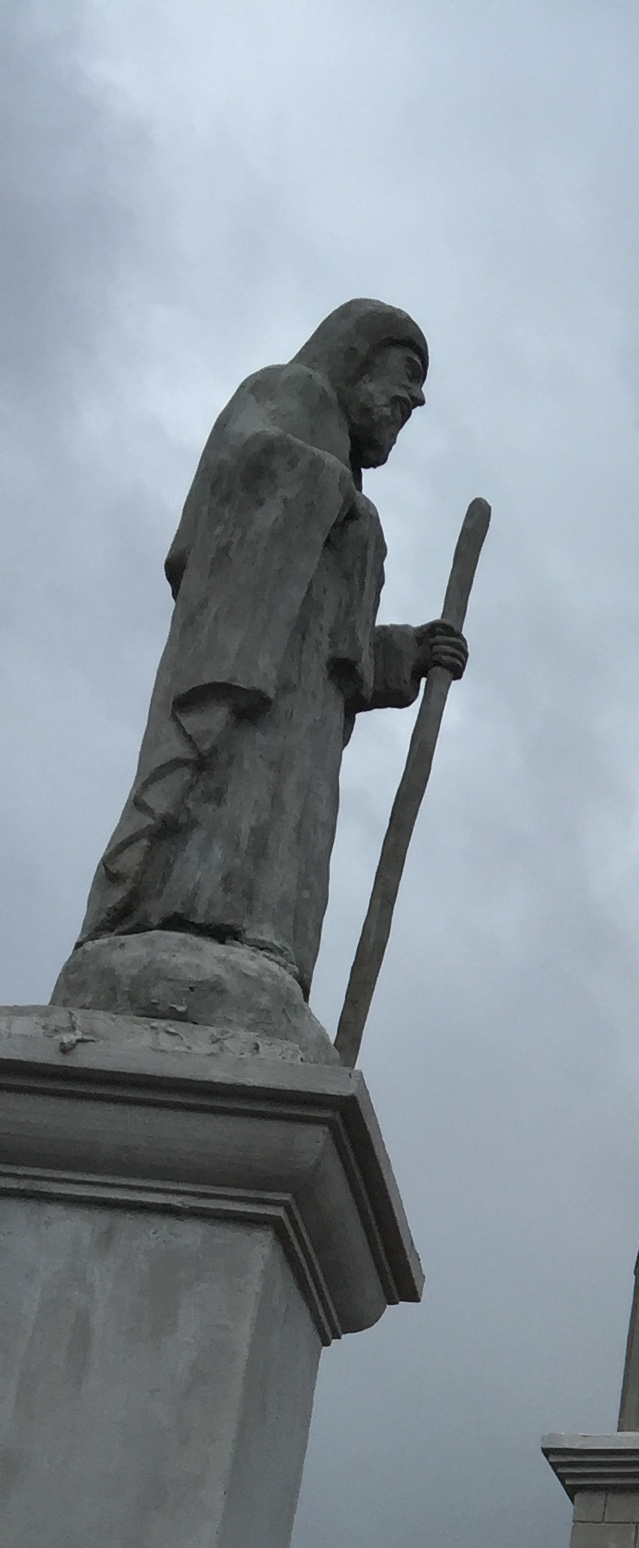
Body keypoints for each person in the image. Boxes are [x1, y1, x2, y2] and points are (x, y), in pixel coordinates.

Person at [55, 299, 467, 1045]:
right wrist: (339, 503)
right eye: (405, 373)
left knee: (283, 830)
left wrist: (406, 652)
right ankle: (179, 923)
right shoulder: (289, 393)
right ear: (357, 357)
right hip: (246, 684)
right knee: (223, 800)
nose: (414, 398)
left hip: (302, 717)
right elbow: (244, 477)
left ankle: (258, 943)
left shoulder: (344, 476)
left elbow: (333, 650)